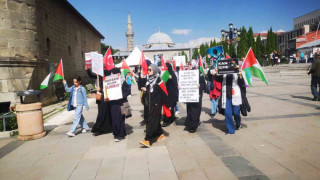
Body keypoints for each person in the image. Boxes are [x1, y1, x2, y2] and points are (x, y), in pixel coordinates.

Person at [140, 64, 170, 147]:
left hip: (156, 104)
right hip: (149, 104)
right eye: (148, 69)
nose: (148, 71)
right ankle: (160, 135)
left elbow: (163, 93)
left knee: (151, 121)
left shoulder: (158, 80)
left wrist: (168, 105)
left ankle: (148, 140)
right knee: (155, 121)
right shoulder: (148, 79)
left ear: (155, 70)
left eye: (150, 70)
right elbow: (142, 85)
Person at [86, 68, 113, 136]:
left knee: (107, 112)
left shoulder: (109, 74)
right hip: (101, 97)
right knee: (101, 111)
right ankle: (99, 127)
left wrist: (104, 88)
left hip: (107, 96)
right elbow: (93, 76)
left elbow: (112, 83)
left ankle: (106, 127)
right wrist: (87, 70)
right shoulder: (99, 75)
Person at [184, 60, 206, 133]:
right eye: (188, 64)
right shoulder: (186, 73)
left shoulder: (199, 73)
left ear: (194, 65)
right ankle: (190, 124)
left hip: (197, 96)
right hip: (190, 96)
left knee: (195, 111)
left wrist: (200, 86)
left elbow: (204, 84)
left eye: (190, 64)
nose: (189, 65)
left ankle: (194, 126)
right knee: (189, 110)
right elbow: (184, 82)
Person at [110, 68, 127, 142]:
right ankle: (116, 133)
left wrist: (119, 97)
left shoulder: (123, 82)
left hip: (120, 104)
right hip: (113, 104)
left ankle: (120, 135)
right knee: (114, 119)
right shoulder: (111, 82)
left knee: (120, 119)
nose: (111, 75)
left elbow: (126, 93)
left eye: (112, 73)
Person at [162, 62, 178, 127]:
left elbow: (175, 83)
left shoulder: (172, 74)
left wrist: (171, 79)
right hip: (168, 93)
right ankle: (171, 118)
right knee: (170, 107)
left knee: (169, 107)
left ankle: (168, 120)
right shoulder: (167, 74)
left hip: (172, 94)